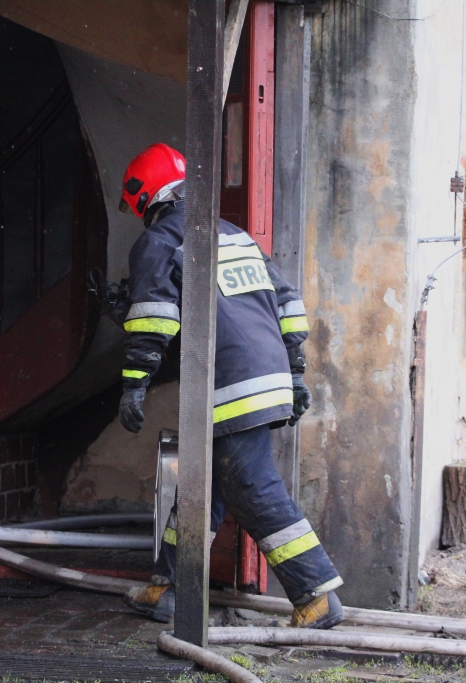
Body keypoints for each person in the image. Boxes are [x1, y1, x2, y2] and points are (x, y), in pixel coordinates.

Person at [116, 143, 345, 629]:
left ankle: (316, 595)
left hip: (228, 383)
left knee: (254, 490)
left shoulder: (158, 242)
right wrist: (296, 370)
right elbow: (285, 302)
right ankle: (169, 588)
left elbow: (153, 320)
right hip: (267, 373)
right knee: (202, 487)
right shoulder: (233, 236)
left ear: (145, 197)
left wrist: (134, 386)